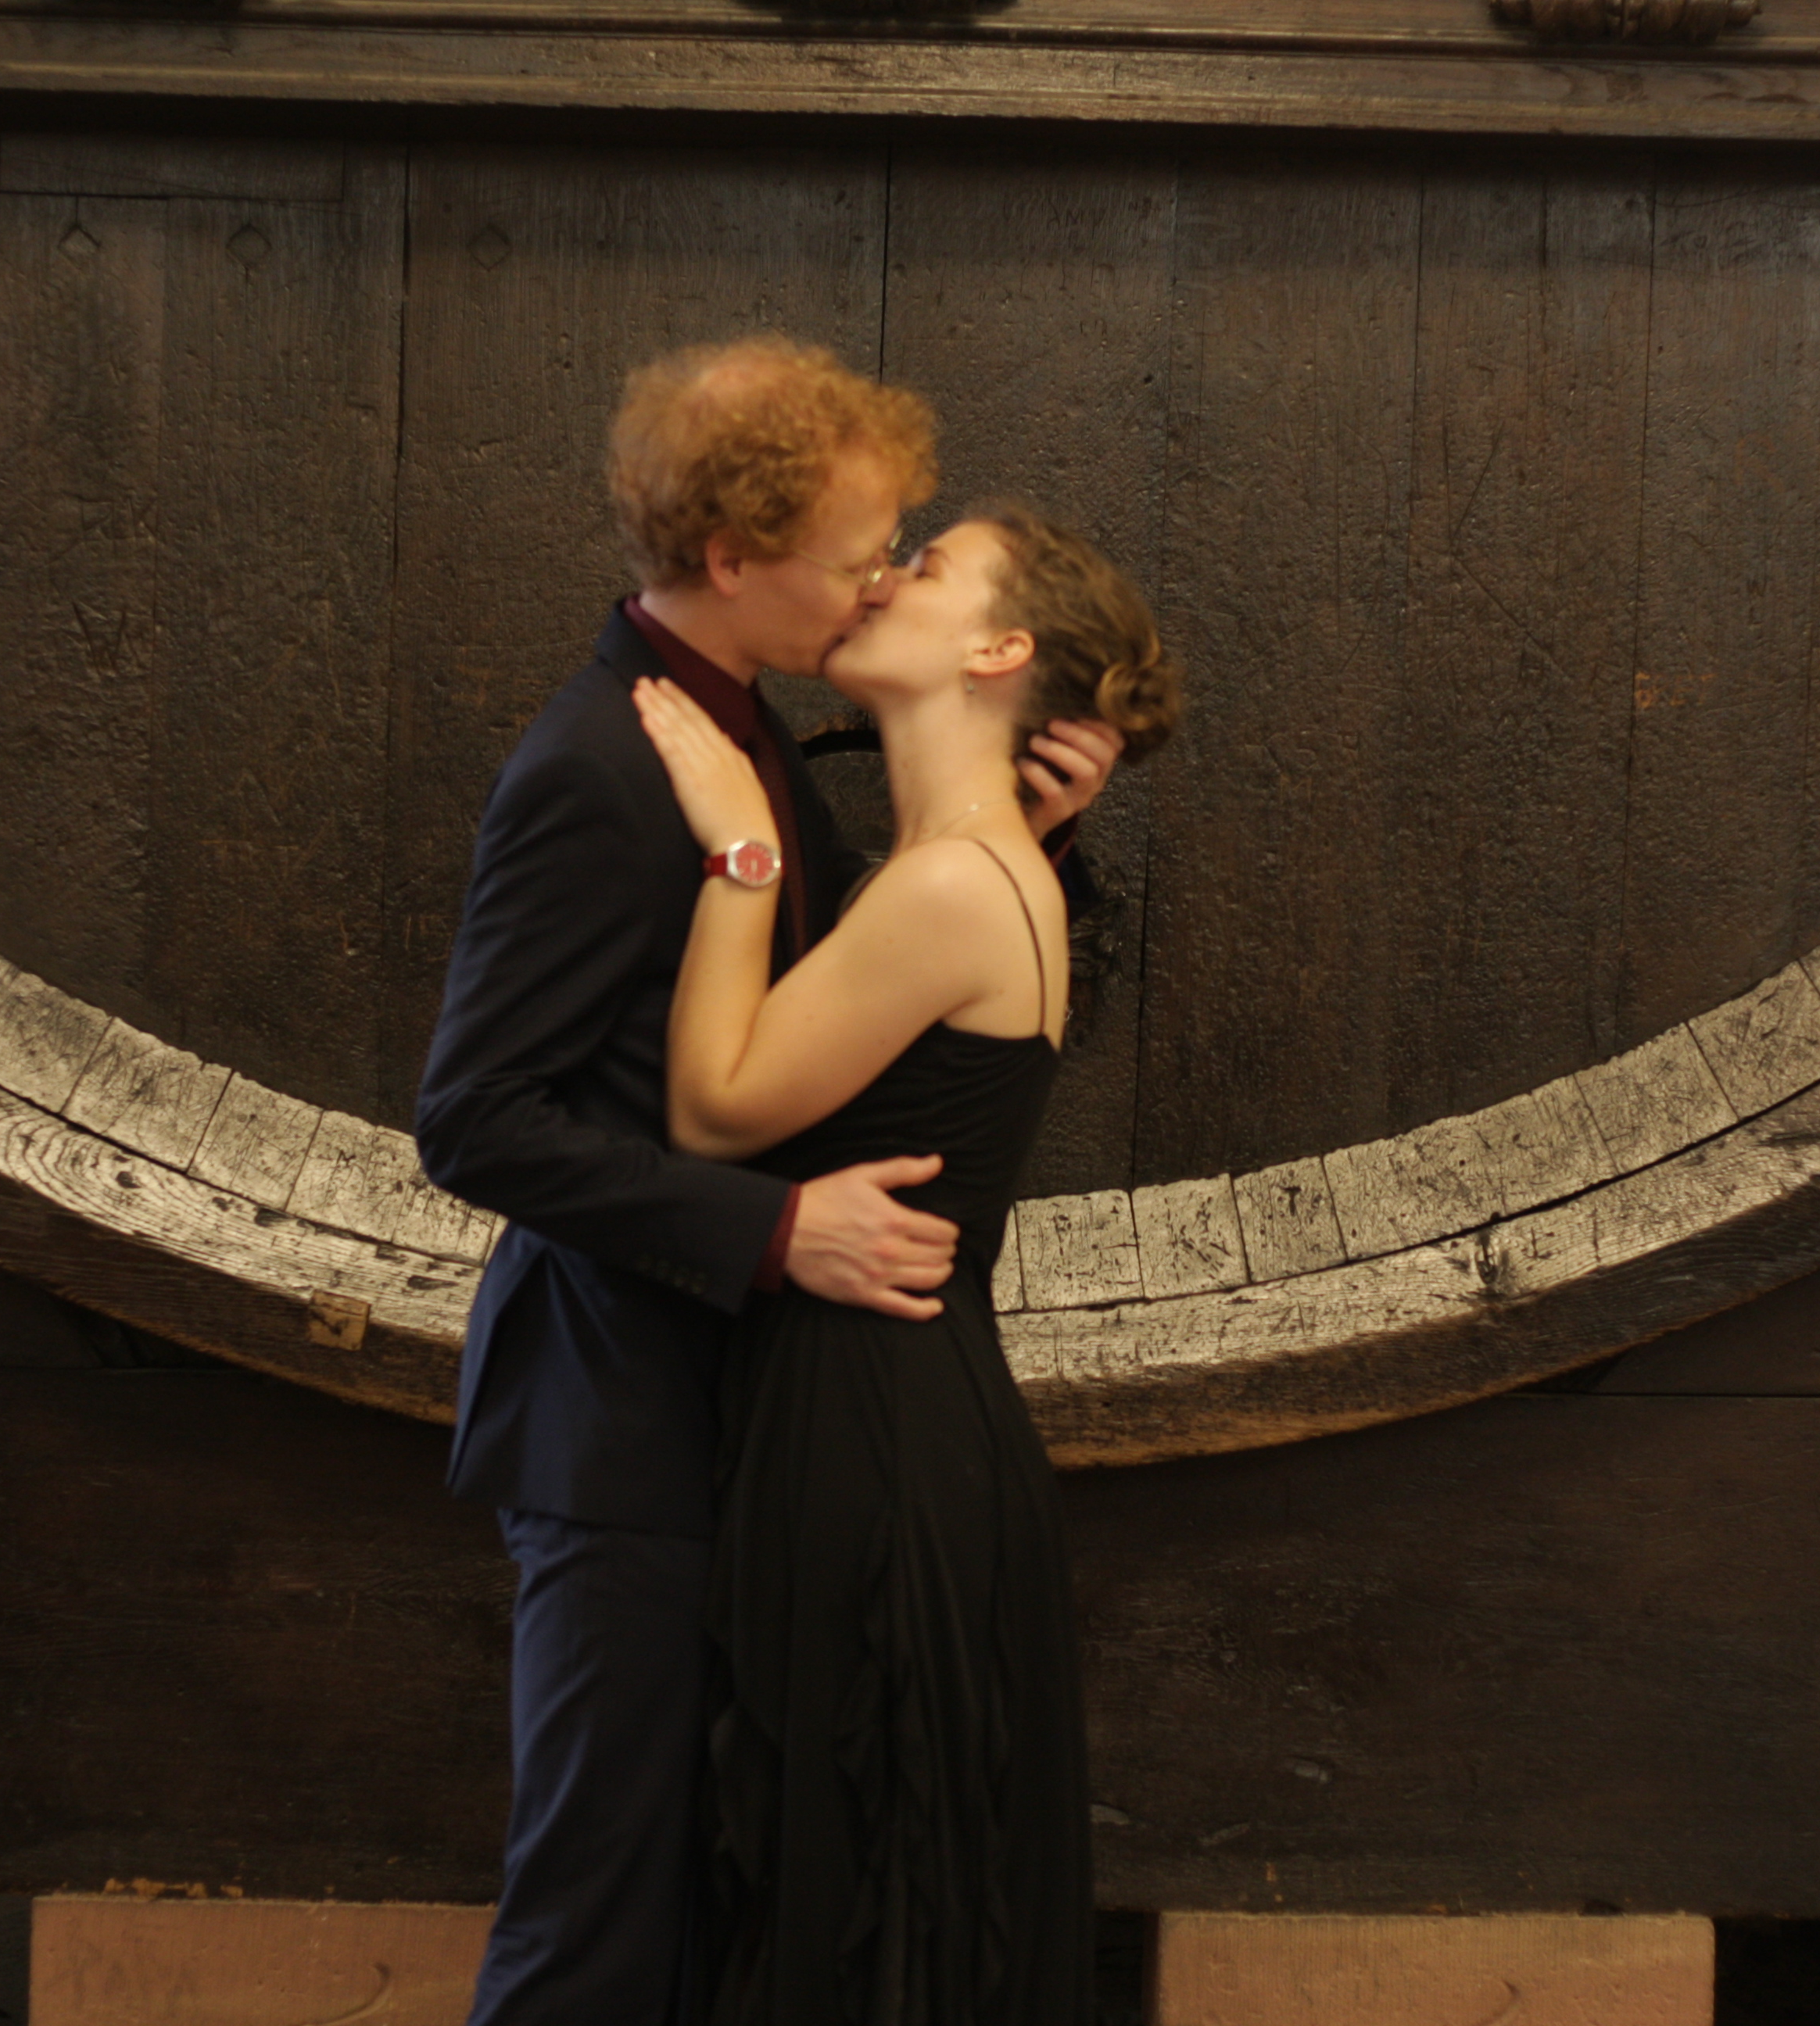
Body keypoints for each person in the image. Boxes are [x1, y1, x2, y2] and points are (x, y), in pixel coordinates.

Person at [413, 339, 1123, 2026]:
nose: (880, 576)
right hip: (619, 1428)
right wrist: (776, 1229)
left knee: (713, 1922)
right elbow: (476, 1119)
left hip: (744, 1420)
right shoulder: (600, 766)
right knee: (597, 1926)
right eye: (864, 550)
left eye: (903, 553)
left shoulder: (760, 741)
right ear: (734, 560)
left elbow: (875, 985)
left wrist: (1031, 830)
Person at [629, 499, 1182, 2025]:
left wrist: (740, 854)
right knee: (874, 1875)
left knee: (850, 1880)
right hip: (894, 1408)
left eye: (928, 566)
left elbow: (714, 1109)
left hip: (870, 1428)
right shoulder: (968, 865)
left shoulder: (954, 882)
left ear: (999, 652)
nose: (884, 577)